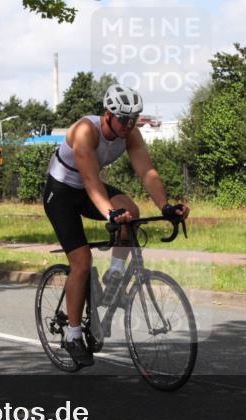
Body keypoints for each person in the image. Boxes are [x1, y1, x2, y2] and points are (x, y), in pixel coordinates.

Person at [43, 85, 188, 367]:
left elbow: (147, 171)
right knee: (81, 260)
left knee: (131, 211)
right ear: (107, 114)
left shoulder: (129, 132)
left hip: (87, 190)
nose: (128, 125)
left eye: (133, 119)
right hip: (61, 192)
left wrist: (166, 207)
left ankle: (115, 276)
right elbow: (90, 181)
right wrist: (110, 213)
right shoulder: (86, 131)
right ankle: (73, 335)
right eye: (123, 119)